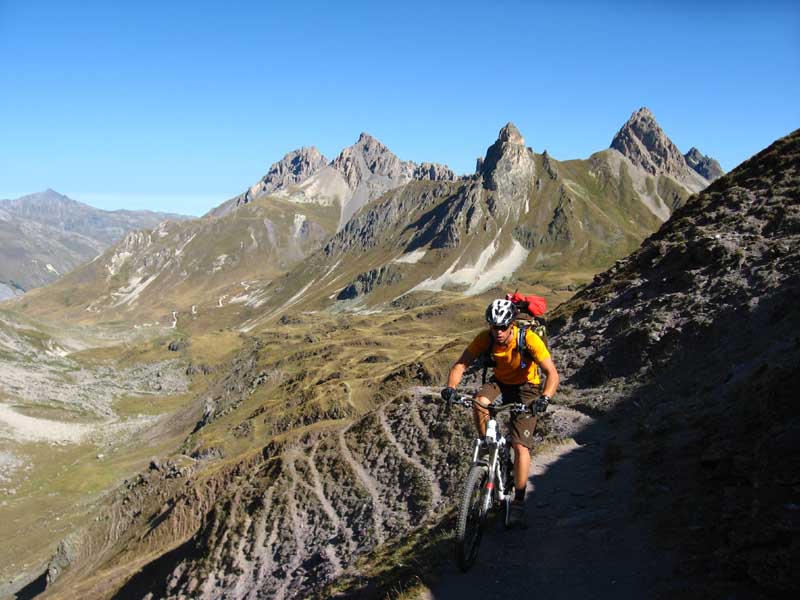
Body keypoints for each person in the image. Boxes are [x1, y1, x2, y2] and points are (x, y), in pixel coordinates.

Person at [441, 298, 560, 526]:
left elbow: (552, 374)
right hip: (501, 381)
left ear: (512, 324)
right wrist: (450, 388)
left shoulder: (529, 339)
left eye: (503, 327)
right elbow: (460, 365)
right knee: (479, 401)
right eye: (494, 327)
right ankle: (488, 445)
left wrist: (544, 399)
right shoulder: (485, 338)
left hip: (528, 386)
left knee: (520, 446)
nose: (498, 332)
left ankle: (518, 501)